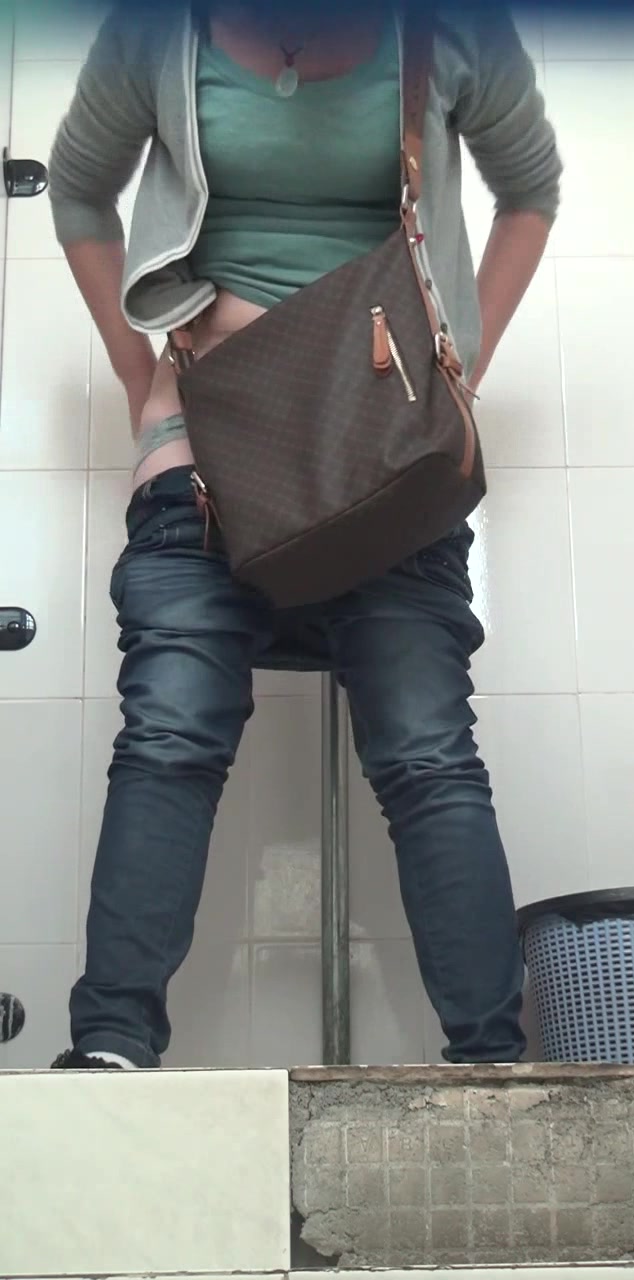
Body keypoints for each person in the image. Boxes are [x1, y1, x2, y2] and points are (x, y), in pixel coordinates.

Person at [48, 0, 561, 1070]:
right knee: (171, 730)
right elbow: (81, 190)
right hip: (207, 444)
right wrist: (143, 379)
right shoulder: (155, 30)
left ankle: (491, 1067)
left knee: (427, 749)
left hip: (386, 452)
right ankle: (110, 1050)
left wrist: (458, 365)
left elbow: (531, 191)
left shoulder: (452, 29)